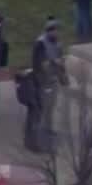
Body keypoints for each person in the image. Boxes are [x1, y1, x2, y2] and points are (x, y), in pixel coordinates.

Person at [28, 17, 67, 152]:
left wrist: (63, 76)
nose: (57, 34)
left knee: (51, 107)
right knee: (43, 109)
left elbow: (61, 60)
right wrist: (52, 63)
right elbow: (38, 64)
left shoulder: (57, 43)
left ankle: (48, 130)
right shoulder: (40, 44)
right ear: (49, 31)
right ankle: (39, 140)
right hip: (43, 81)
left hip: (53, 79)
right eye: (55, 31)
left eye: (58, 31)